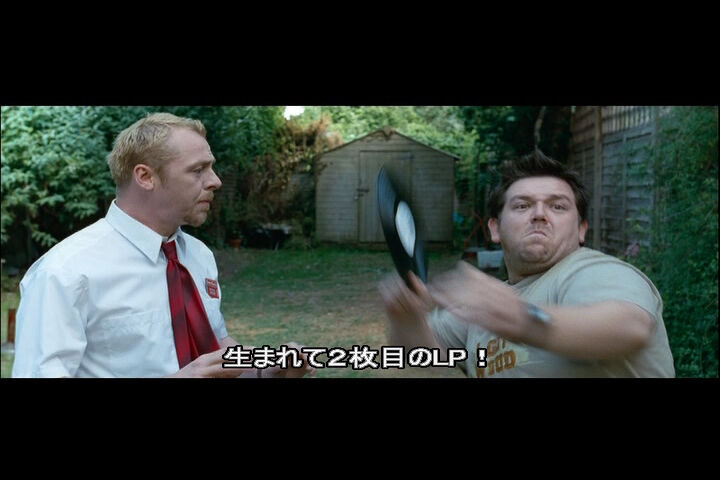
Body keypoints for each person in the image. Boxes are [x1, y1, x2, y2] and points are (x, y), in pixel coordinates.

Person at [12, 112, 314, 378]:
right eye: (198, 170)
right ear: (145, 177)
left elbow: (213, 349)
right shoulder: (64, 273)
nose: (216, 181)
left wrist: (266, 369)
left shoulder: (198, 255)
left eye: (211, 168)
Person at [380, 150, 675, 377]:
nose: (539, 214)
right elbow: (419, 357)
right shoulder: (487, 304)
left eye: (557, 206)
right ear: (495, 228)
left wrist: (520, 318)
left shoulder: (592, 271)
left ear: (581, 230)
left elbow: (628, 326)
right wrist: (407, 318)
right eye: (522, 205)